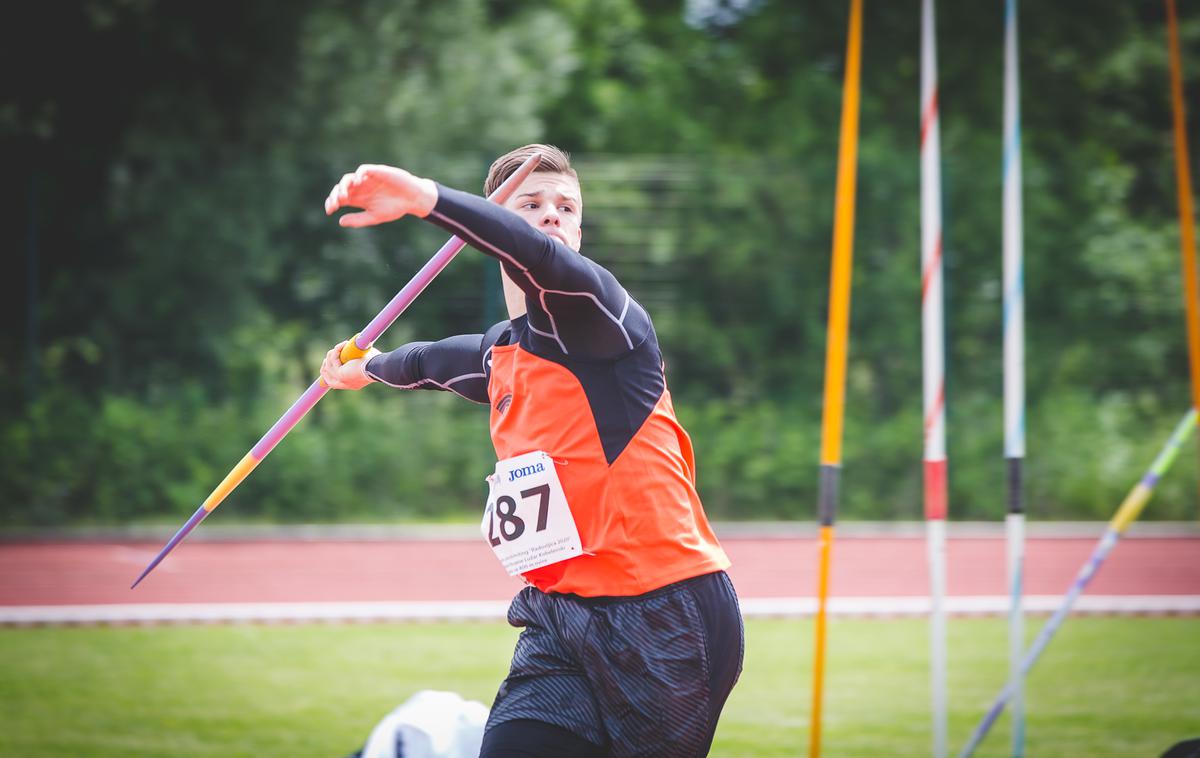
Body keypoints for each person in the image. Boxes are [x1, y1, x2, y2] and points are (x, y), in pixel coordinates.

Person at [321, 144, 742, 757]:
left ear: (578, 229)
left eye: (566, 206)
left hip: (665, 612)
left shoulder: (607, 319)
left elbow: (536, 257)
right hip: (562, 615)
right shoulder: (504, 352)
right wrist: (367, 369)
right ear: (495, 223)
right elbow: (433, 362)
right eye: (532, 203)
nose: (552, 215)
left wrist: (424, 198)